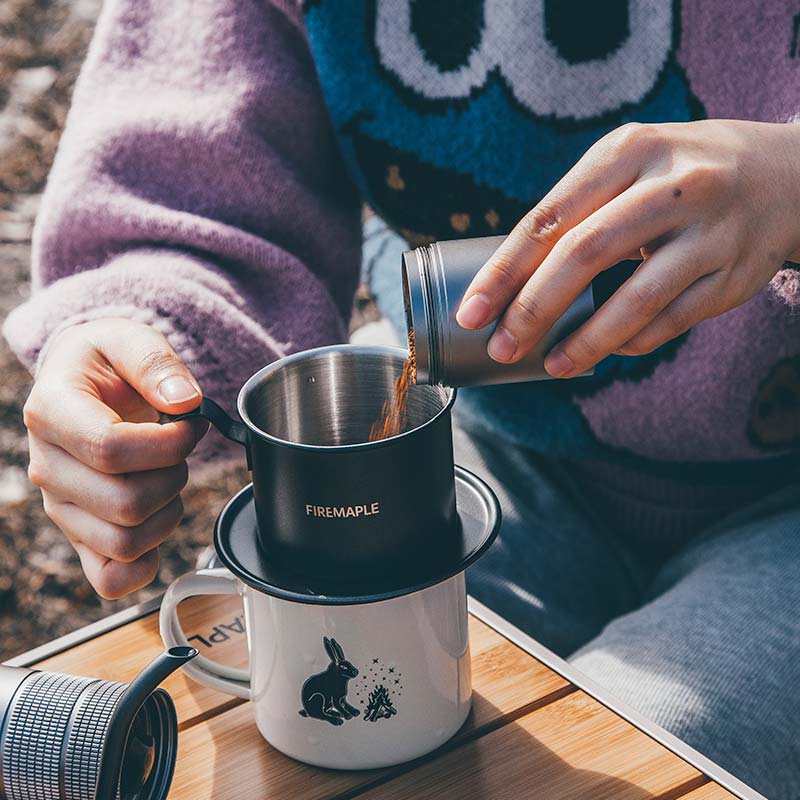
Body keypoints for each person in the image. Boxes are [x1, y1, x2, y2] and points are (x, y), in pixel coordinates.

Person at [4, 2, 799, 795]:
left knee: (638, 758)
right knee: (294, 723)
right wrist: (144, 339)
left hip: (783, 509)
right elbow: (193, 176)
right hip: (487, 429)